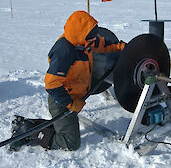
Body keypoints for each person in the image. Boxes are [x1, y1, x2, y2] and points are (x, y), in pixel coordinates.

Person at [9, 11, 125, 151]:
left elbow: (105, 44)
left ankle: (31, 125)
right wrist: (71, 104)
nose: (94, 40)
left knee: (63, 126)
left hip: (73, 96)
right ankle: (28, 131)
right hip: (61, 100)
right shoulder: (63, 52)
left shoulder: (85, 42)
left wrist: (124, 48)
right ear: (81, 34)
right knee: (70, 142)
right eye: (91, 37)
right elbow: (52, 85)